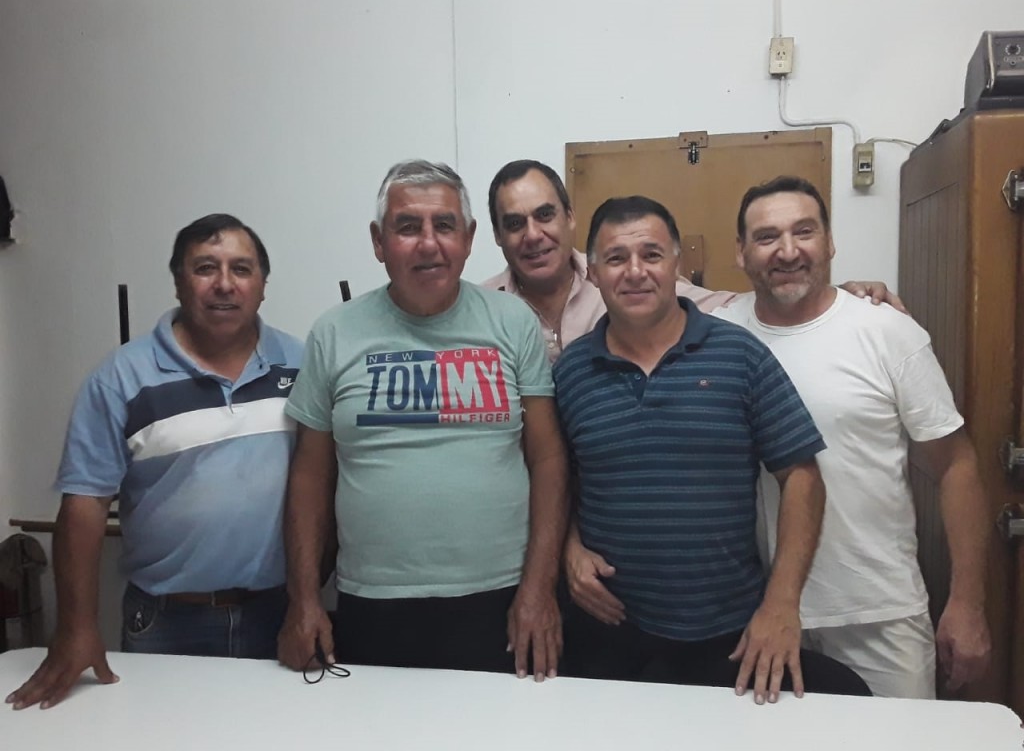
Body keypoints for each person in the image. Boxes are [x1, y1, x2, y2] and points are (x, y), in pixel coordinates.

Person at [554, 195, 869, 705]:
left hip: (731, 637)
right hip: (606, 634)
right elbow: (556, 478)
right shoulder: (571, 372)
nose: (635, 272)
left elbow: (802, 477)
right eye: (615, 258)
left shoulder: (740, 354)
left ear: (676, 265)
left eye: (652, 255)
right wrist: (569, 548)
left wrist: (781, 606)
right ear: (593, 272)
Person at [276, 160, 568, 681]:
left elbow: (547, 460)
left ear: (469, 238)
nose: (428, 243)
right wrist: (303, 600)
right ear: (378, 241)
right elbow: (309, 475)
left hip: (501, 600)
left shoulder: (513, 322)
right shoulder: (334, 333)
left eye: (444, 225)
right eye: (408, 227)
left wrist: (539, 590)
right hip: (374, 600)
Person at [7, 214, 303, 710]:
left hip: (278, 613)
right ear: (178, 282)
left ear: (263, 284)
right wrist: (76, 627)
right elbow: (84, 506)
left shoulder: (300, 363)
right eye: (205, 268)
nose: (224, 284)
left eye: (241, 268)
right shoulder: (120, 379)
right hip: (168, 622)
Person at [714, 176, 992, 698]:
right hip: (755, 618)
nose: (788, 251)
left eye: (804, 231)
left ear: (830, 241)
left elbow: (956, 465)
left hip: (879, 614)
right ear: (741, 252)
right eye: (767, 237)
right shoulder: (716, 334)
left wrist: (968, 603)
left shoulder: (886, 331)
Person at [482, 159, 903, 362]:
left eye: (545, 215)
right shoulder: (480, 312)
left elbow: (748, 308)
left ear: (569, 217)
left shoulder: (632, 284)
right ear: (498, 235)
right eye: (514, 223)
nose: (533, 235)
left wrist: (833, 297)